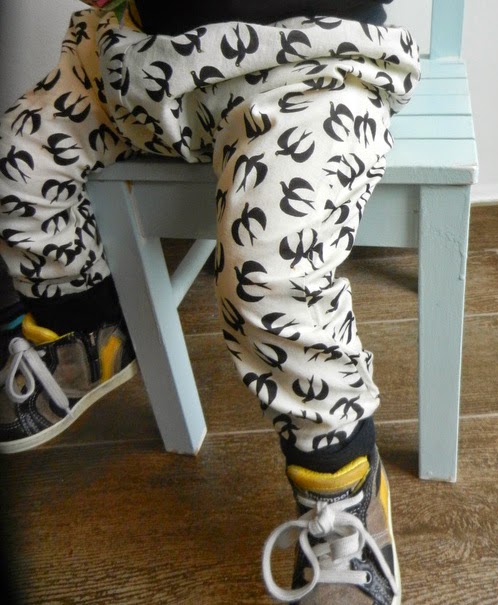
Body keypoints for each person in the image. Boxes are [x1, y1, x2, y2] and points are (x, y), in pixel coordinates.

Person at [0, 0, 420, 602]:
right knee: (18, 165)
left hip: (307, 61)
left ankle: (341, 479)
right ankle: (85, 333)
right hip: (144, 63)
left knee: (272, 272)